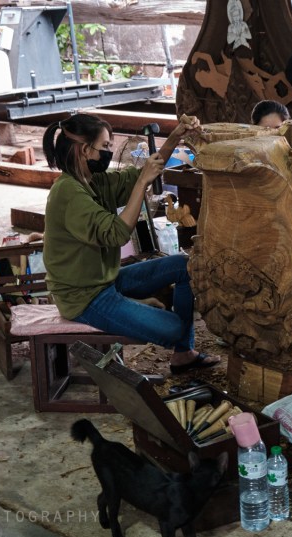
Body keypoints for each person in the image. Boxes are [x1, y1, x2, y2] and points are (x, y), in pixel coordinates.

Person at [42, 113, 220, 374]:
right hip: (84, 298)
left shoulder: (93, 181)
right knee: (177, 328)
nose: (108, 151)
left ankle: (183, 354)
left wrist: (176, 135)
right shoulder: (68, 193)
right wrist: (142, 185)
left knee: (184, 265)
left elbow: (140, 174)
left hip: (105, 280)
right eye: (104, 146)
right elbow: (117, 233)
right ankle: (180, 342)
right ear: (84, 150)